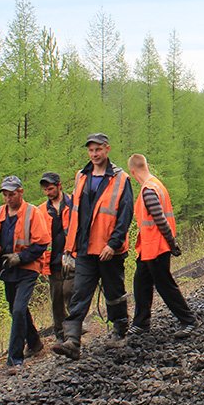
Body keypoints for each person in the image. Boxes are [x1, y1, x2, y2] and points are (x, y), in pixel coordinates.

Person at [51, 133, 133, 360]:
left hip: (109, 250)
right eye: (91, 150)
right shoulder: (81, 176)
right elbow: (75, 214)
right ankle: (72, 341)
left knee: (114, 292)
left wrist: (113, 244)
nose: (94, 154)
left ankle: (119, 329)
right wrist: (69, 249)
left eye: (98, 150)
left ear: (107, 149)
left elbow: (125, 215)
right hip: (85, 249)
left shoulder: (120, 178)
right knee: (80, 293)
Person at [0, 175, 51, 374]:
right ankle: (35, 342)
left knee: (19, 309)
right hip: (7, 269)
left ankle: (15, 359)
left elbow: (41, 244)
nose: (8, 198)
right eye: (5, 194)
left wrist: (21, 257)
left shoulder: (33, 213)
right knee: (15, 309)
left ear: (20, 192)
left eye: (11, 194)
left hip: (28, 268)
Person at [126, 153, 196, 339]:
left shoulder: (148, 190)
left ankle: (188, 320)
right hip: (149, 248)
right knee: (140, 283)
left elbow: (160, 219)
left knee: (165, 285)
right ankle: (141, 323)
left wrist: (172, 243)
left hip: (157, 246)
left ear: (132, 172)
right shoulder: (156, 184)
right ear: (145, 166)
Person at [39, 171, 75, 343]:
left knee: (70, 292)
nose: (48, 192)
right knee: (56, 298)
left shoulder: (73, 204)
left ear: (59, 185)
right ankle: (60, 333)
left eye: (51, 188)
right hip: (52, 261)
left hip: (72, 257)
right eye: (45, 189)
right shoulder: (41, 211)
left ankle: (73, 330)